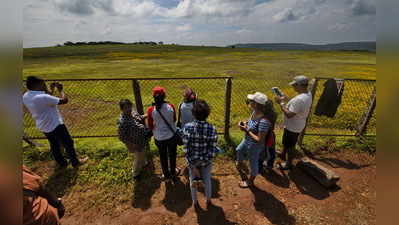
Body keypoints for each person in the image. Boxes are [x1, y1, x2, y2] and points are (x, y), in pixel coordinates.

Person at [22, 76, 87, 168]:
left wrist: (51, 89)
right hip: (55, 124)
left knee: (54, 144)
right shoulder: (42, 97)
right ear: (37, 85)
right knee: (68, 142)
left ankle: (62, 163)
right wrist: (61, 90)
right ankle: (75, 162)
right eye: (43, 84)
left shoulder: (26, 96)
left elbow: (47, 99)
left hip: (43, 125)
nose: (45, 85)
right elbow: (64, 100)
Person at [182, 100, 218, 208]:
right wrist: (204, 161)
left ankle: (195, 202)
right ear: (207, 114)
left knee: (192, 181)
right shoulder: (212, 128)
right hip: (206, 161)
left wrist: (193, 165)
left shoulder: (187, 127)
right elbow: (212, 149)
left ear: (193, 113)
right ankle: (208, 200)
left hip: (192, 161)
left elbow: (186, 148)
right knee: (207, 180)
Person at [275, 75, 313, 170]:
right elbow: (295, 105)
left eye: (295, 85)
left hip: (293, 126)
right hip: (297, 124)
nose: (293, 86)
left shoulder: (299, 99)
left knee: (290, 146)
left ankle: (288, 164)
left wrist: (281, 103)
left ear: (300, 85)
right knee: (287, 142)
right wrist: (286, 98)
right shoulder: (307, 94)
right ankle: (283, 154)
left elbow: (289, 114)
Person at [236, 92, 272, 188]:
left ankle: (250, 181)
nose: (249, 102)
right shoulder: (254, 112)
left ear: (256, 104)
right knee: (238, 150)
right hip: (247, 140)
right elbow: (250, 122)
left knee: (253, 162)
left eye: (251, 101)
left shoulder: (264, 121)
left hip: (255, 146)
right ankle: (240, 163)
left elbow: (259, 139)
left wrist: (247, 130)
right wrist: (244, 123)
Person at [146, 86, 180, 181]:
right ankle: (173, 172)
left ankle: (166, 174)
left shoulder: (150, 110)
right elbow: (174, 119)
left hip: (159, 138)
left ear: (154, 97)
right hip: (171, 136)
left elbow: (150, 126)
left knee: (163, 156)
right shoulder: (171, 106)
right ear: (164, 96)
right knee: (172, 154)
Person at [117, 99, 149, 181]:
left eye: (129, 106)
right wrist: (130, 145)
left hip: (141, 139)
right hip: (135, 143)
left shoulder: (133, 112)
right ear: (122, 109)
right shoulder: (122, 121)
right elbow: (121, 136)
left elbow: (139, 118)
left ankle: (144, 163)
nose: (129, 109)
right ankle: (135, 173)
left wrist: (147, 115)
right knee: (138, 158)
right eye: (126, 108)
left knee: (142, 152)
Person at [258, 100, 278, 171]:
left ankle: (259, 167)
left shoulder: (262, 116)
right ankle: (270, 164)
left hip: (263, 134)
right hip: (271, 135)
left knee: (261, 152)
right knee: (271, 151)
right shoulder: (274, 114)